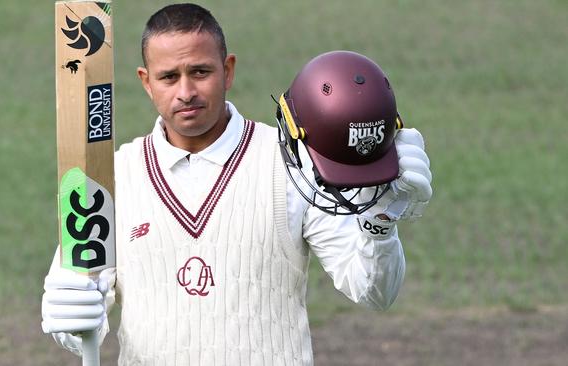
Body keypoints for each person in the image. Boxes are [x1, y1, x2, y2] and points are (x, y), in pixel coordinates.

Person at [41, 3, 432, 365]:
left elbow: (374, 292)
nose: (186, 92)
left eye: (200, 72)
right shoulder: (109, 177)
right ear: (146, 82)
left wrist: (380, 220)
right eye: (168, 77)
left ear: (227, 70)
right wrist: (69, 320)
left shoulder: (292, 164)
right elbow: (75, 307)